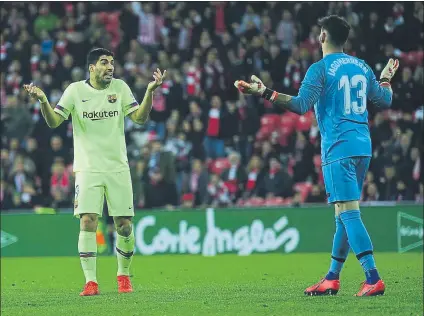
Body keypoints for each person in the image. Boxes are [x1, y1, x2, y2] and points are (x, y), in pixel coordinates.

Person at [235, 15, 399, 297]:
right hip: (363, 146)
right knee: (342, 214)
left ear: (323, 36)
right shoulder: (361, 66)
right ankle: (332, 278)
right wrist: (385, 78)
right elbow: (384, 100)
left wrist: (265, 93)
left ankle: (373, 277)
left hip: (338, 148)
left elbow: (300, 105)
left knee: (349, 213)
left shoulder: (320, 69)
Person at [23, 48, 166, 296]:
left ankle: (123, 276)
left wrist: (149, 93)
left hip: (117, 167)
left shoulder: (120, 88)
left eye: (112, 62)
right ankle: (91, 282)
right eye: (104, 62)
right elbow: (54, 122)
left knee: (123, 226)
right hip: (88, 168)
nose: (110, 66)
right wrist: (44, 101)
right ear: (92, 67)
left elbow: (140, 118)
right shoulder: (75, 91)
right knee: (88, 221)